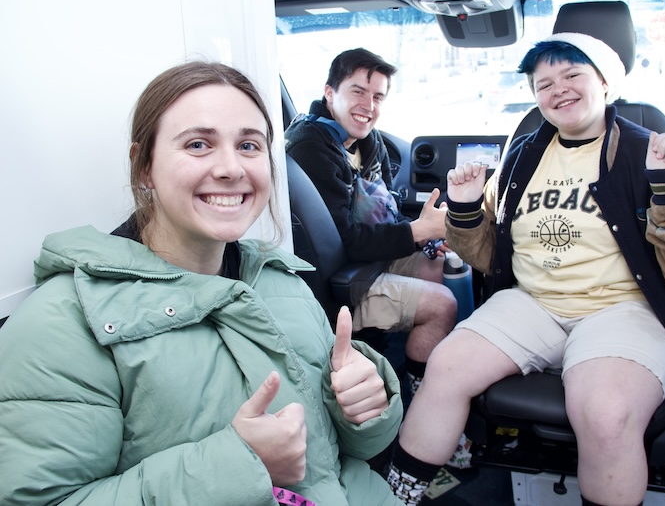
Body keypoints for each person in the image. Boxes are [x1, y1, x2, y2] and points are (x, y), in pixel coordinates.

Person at [0, 61, 405, 506]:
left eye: (248, 145)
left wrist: (363, 407)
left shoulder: (282, 282)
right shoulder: (65, 323)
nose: (231, 168)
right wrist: (240, 468)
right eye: (198, 144)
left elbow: (346, 453)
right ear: (143, 167)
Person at [386, 33, 665, 506]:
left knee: (606, 412)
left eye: (572, 74)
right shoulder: (520, 158)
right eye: (545, 84)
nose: (559, 90)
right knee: (446, 365)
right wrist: (467, 210)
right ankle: (395, 498)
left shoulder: (653, 152)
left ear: (605, 82)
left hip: (625, 308)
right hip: (533, 302)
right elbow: (488, 255)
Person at [285, 48, 457, 398]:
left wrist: (422, 237)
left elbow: (386, 211)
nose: (369, 106)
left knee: (440, 264)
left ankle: (407, 361)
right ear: (330, 93)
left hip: (373, 258)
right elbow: (344, 240)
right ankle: (422, 396)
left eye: (378, 97)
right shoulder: (311, 149)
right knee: (443, 305)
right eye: (358, 92)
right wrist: (417, 230)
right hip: (342, 280)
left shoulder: (368, 140)